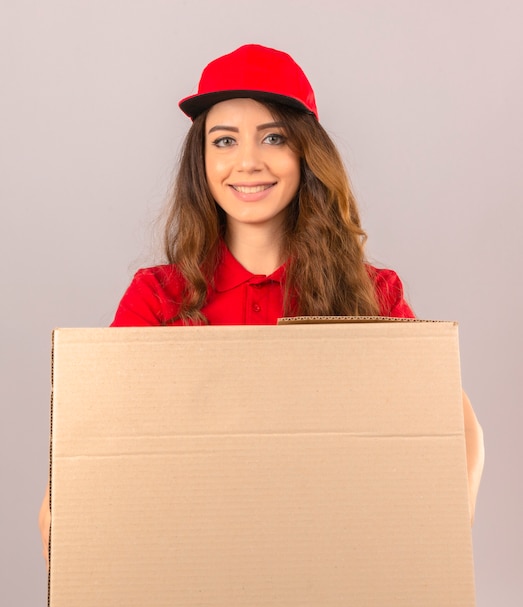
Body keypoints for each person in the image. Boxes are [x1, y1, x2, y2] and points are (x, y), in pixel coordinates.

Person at [39, 44, 484, 567]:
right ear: (201, 162)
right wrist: (65, 519)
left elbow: (457, 428)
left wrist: (439, 530)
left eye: (273, 137)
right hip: (194, 570)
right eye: (224, 140)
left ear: (305, 154)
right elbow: (96, 441)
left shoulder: (370, 293)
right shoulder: (160, 297)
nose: (247, 161)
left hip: (330, 570)